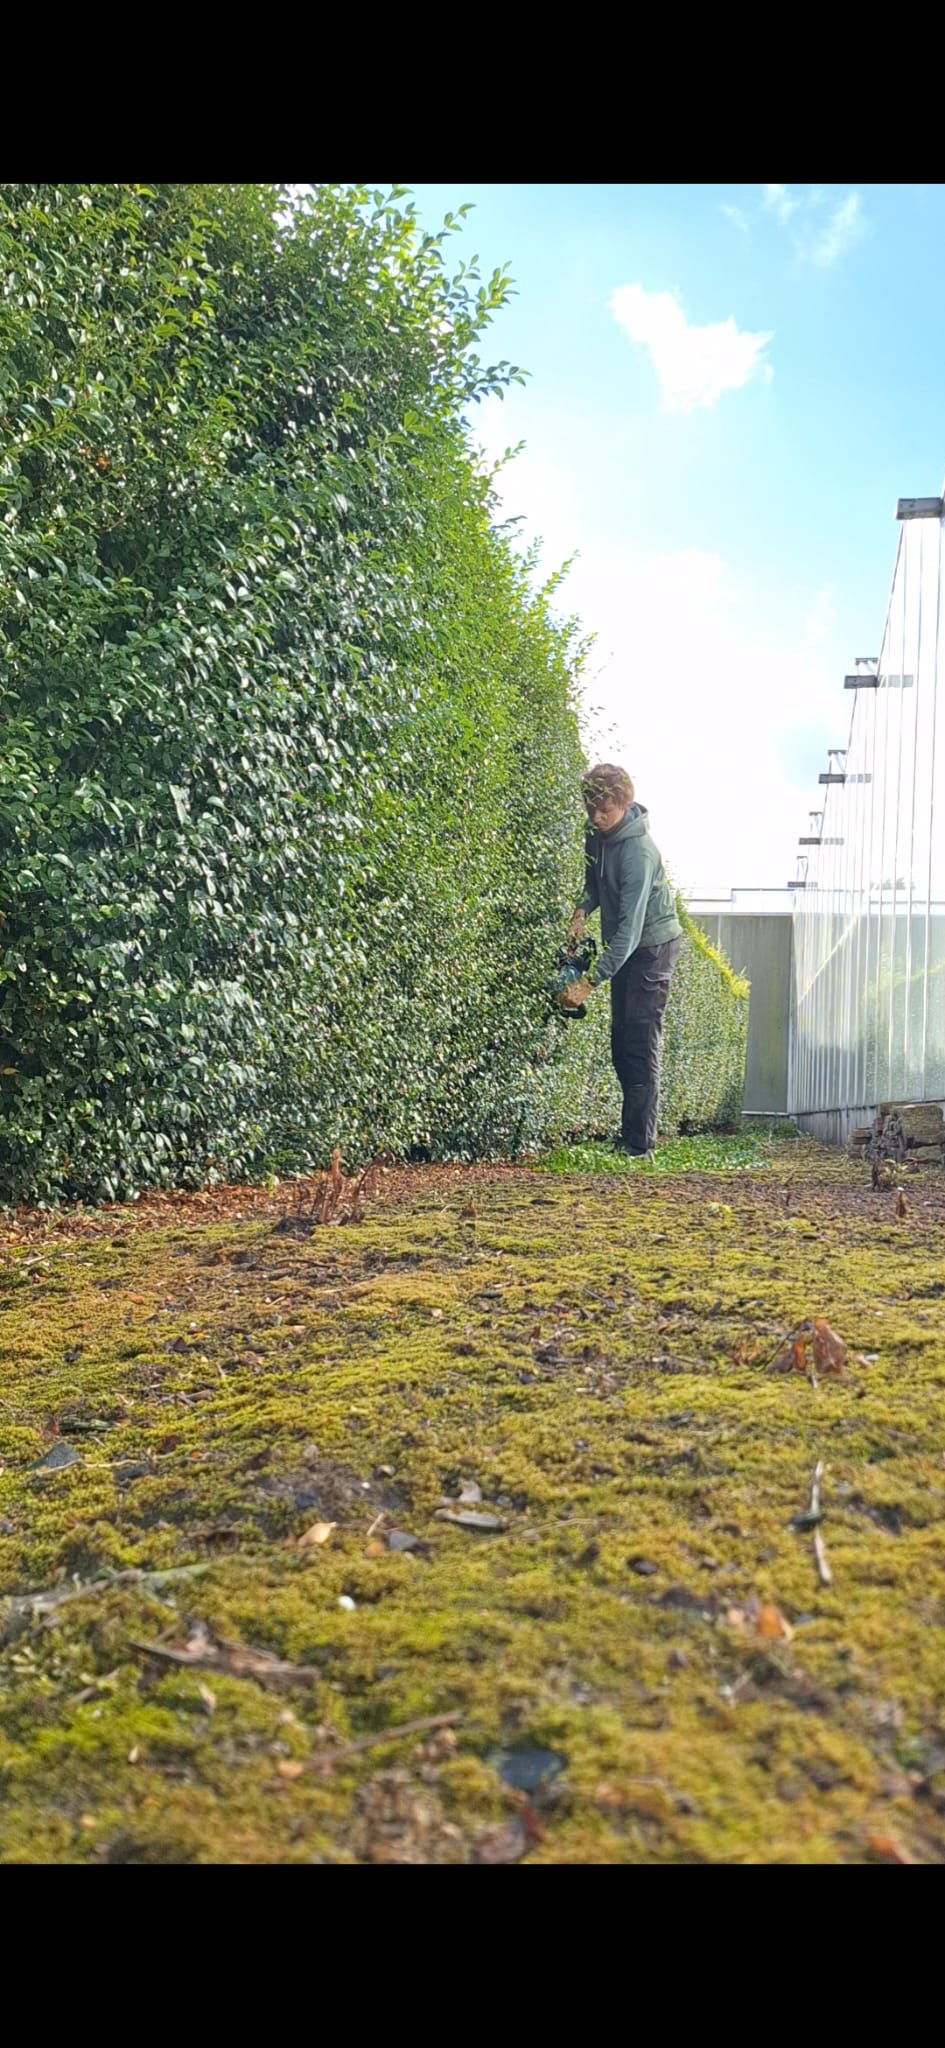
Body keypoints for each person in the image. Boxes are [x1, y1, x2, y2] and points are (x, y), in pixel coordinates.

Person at [560, 764, 682, 1159]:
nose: (596, 818)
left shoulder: (638, 854)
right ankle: (629, 1135)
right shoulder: (595, 835)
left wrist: (587, 983)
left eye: (605, 810)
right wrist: (581, 910)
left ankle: (639, 1145)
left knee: (639, 1042)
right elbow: (593, 884)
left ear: (625, 804)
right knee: (619, 1040)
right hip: (625, 945)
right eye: (590, 809)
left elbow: (630, 932)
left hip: (652, 947)